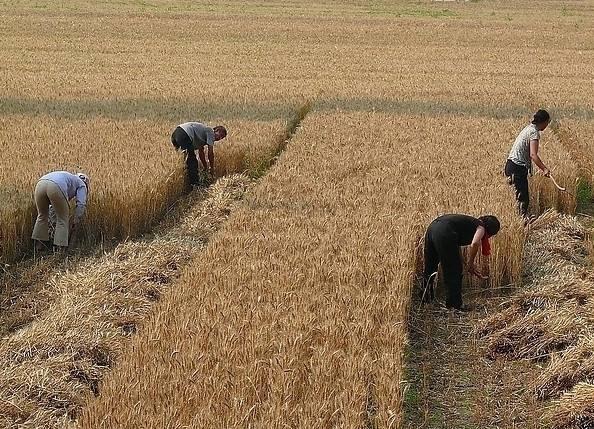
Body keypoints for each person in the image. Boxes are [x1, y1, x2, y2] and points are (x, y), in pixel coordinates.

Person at [422, 214, 501, 311]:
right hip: (445, 232)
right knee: (454, 271)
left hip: (433, 228)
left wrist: (465, 263)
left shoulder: (469, 223)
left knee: (430, 266)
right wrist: (470, 263)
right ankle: (454, 306)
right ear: (490, 231)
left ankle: (425, 299)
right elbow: (475, 243)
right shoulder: (481, 227)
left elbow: (455, 245)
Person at [504, 109, 551, 218]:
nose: (547, 125)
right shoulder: (534, 132)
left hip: (511, 166)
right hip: (517, 168)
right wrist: (544, 169)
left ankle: (518, 223)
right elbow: (533, 155)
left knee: (516, 199)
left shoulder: (529, 128)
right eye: (547, 122)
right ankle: (522, 225)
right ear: (543, 122)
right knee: (522, 200)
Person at [31, 171, 90, 251]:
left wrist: (53, 221)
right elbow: (81, 204)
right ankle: (60, 251)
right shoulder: (82, 184)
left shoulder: (69, 177)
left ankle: (38, 247)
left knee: (42, 216)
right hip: (56, 186)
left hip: (40, 183)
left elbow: (52, 206)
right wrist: (76, 219)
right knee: (62, 219)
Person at [170, 122, 227, 186]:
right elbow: (210, 153)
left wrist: (205, 167)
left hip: (175, 135)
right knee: (192, 161)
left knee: (183, 161)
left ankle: (185, 183)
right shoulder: (211, 132)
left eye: (222, 138)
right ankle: (195, 186)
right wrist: (212, 168)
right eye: (220, 135)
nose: (219, 138)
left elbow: (201, 153)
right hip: (184, 134)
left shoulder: (202, 134)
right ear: (216, 130)